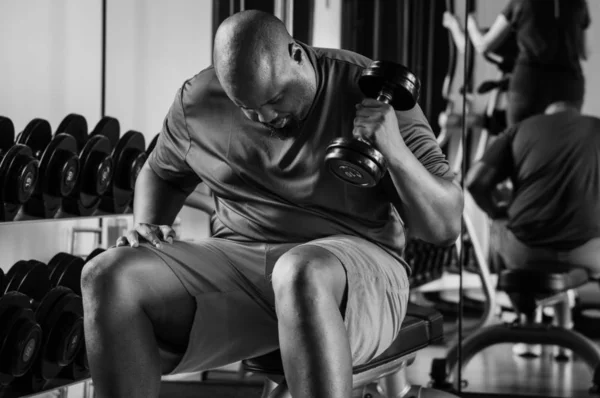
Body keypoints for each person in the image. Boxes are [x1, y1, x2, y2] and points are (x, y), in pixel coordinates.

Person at [81, 10, 462, 398]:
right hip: (242, 259)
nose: (265, 115)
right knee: (109, 275)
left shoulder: (365, 89)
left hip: (357, 267)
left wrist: (395, 151)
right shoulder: (198, 99)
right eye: (246, 106)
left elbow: (445, 226)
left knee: (299, 271)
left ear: (296, 54)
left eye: (276, 98)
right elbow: (161, 171)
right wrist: (148, 224)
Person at [466, 101, 600, 278]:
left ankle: (521, 302)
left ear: (545, 115)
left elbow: (474, 182)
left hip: (528, 252)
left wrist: (496, 213)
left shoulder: (519, 129)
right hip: (591, 252)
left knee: (499, 227)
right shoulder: (595, 126)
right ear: (577, 113)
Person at [443, 0, 590, 125]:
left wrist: (467, 24)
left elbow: (481, 46)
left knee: (517, 142)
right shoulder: (578, 3)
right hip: (570, 84)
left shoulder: (521, 6)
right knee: (563, 147)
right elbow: (583, 52)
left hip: (530, 85)